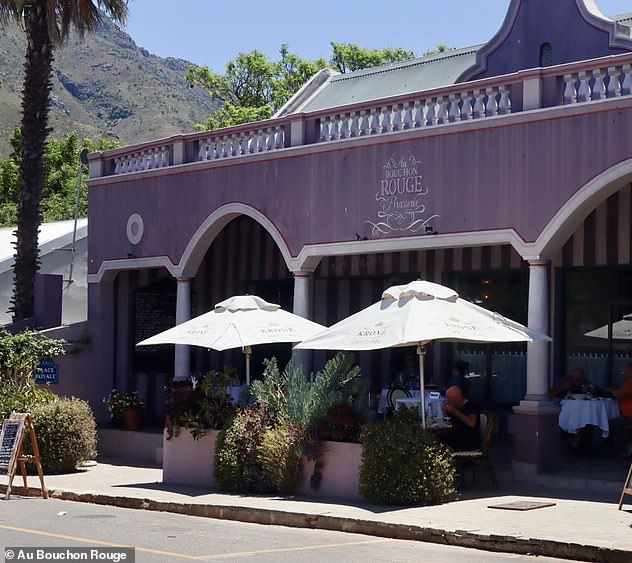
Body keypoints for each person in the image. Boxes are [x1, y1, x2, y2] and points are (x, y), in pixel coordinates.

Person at [441, 385, 481, 452]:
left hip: (468, 442)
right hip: (455, 438)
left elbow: (472, 423)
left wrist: (455, 412)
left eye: (449, 398)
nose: (447, 401)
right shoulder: (455, 406)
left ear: (457, 398)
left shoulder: (471, 405)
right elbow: (451, 422)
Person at [606, 364, 632, 457]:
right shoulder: (627, 383)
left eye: (625, 372)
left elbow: (620, 395)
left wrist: (610, 391)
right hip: (626, 415)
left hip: (629, 416)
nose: (624, 375)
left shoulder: (630, 383)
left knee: (611, 424)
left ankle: (622, 448)